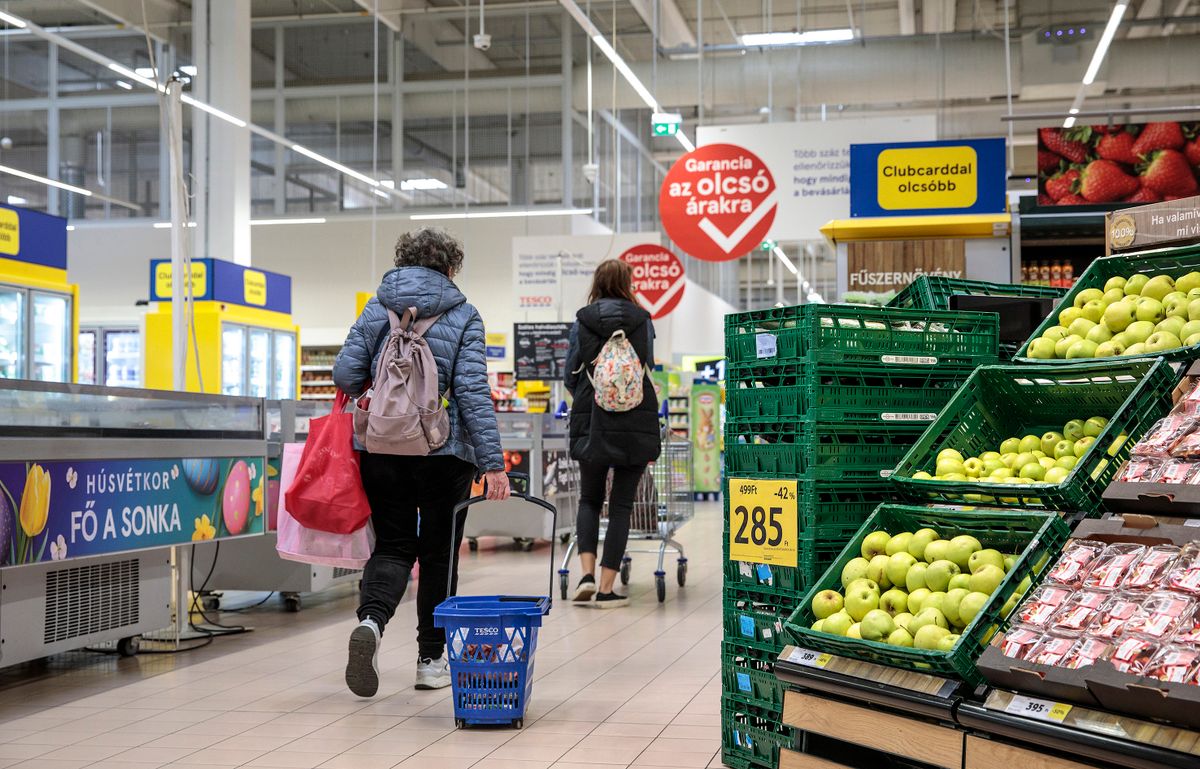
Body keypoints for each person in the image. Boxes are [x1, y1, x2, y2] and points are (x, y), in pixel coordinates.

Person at [333, 227, 510, 698]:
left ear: (403, 261)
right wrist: (493, 464)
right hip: (442, 453)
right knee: (437, 556)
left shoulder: (377, 307)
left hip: (382, 447)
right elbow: (472, 393)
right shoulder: (465, 314)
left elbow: (346, 374)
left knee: (391, 546)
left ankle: (370, 623)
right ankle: (431, 661)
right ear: (450, 268)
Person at [564, 259, 661, 608]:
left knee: (589, 499)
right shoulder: (642, 319)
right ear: (627, 282)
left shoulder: (582, 320)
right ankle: (606, 588)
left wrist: (593, 396)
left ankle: (586, 575)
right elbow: (648, 364)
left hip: (592, 419)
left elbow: (569, 376)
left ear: (597, 283)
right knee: (621, 506)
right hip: (635, 421)